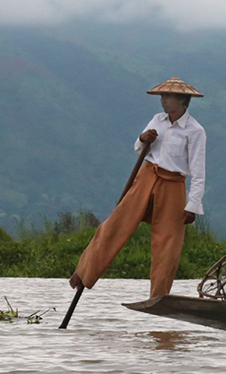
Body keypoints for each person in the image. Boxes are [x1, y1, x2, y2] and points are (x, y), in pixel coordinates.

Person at [69, 77, 207, 298]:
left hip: (173, 186)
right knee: (115, 225)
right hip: (146, 176)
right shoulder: (157, 120)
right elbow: (139, 149)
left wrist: (193, 205)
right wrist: (143, 139)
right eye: (162, 96)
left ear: (181, 100)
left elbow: (199, 172)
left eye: (167, 96)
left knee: (167, 243)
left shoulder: (195, 130)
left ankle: (159, 297)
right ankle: (84, 273)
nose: (163, 100)